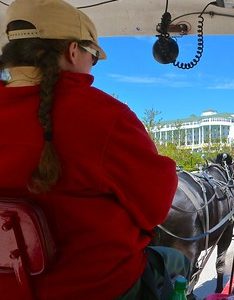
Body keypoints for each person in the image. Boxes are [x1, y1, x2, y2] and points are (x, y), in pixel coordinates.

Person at [0, 0, 190, 299]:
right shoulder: (106, 117)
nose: (92, 66)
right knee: (178, 259)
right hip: (96, 287)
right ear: (73, 51)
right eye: (93, 57)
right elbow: (155, 208)